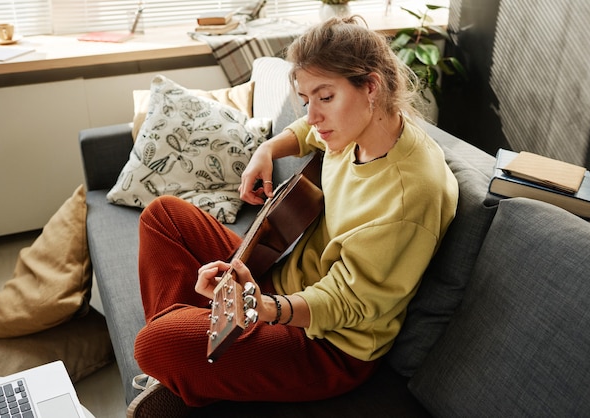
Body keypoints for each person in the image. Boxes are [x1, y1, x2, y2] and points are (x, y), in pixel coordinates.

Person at [127, 15, 459, 418]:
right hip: (279, 278)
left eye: (325, 97)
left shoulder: (410, 195)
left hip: (328, 344)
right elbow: (307, 129)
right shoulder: (351, 126)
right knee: (164, 215)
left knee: (153, 345)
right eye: (306, 100)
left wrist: (267, 308)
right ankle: (195, 367)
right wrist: (266, 150)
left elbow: (349, 301)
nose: (314, 115)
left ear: (371, 86)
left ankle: (189, 366)